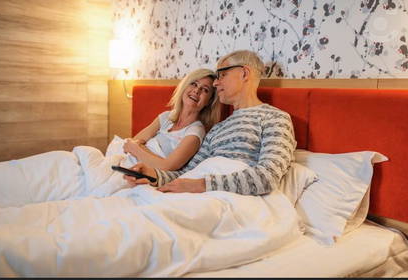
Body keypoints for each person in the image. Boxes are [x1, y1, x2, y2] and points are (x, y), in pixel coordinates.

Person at [124, 50, 297, 195]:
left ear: (244, 73)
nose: (215, 82)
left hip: (227, 199)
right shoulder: (217, 129)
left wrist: (200, 185)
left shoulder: (275, 118)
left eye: (222, 75)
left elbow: (267, 177)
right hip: (204, 194)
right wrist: (153, 175)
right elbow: (187, 174)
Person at [122, 68, 220, 171]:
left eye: (205, 90)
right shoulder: (167, 117)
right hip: (129, 162)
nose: (197, 91)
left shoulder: (195, 132)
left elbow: (167, 166)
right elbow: (131, 143)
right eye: (194, 84)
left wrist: (138, 149)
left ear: (209, 101)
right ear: (185, 87)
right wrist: (140, 151)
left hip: (143, 172)